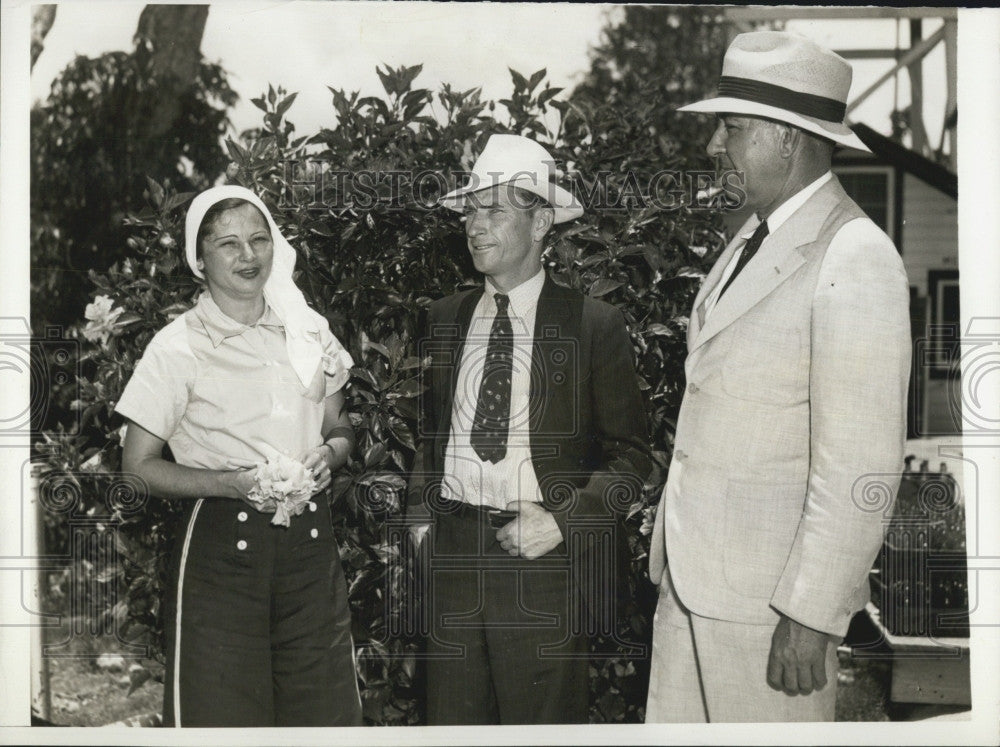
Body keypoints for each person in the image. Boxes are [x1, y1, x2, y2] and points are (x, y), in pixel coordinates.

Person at [646, 31, 911, 722]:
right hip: (694, 589)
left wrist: (813, 610)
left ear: (788, 138)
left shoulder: (853, 255)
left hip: (771, 616)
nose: (713, 146)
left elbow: (861, 462)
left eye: (731, 128)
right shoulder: (747, 239)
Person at [407, 134, 651, 724]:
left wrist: (564, 522)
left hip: (540, 565)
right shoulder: (444, 318)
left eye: (495, 210)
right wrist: (420, 526)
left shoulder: (593, 325)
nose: (475, 225)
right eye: (470, 210)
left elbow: (633, 458)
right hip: (452, 560)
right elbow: (430, 438)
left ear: (541, 221)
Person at [117, 185, 363, 727]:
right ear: (198, 259)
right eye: (227, 244)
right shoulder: (177, 347)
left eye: (258, 239)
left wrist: (331, 452)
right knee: (222, 722)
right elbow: (136, 467)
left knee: (324, 719)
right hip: (222, 553)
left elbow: (340, 424)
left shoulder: (307, 331)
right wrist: (231, 482)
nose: (247, 256)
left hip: (310, 553)